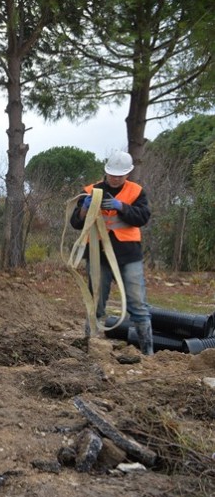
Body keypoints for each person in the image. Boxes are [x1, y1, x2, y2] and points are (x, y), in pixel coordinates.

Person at [70, 150, 154, 355]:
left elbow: (142, 217)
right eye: (112, 174)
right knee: (95, 303)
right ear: (106, 172)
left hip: (128, 255)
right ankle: (90, 348)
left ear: (128, 174)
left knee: (138, 304)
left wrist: (122, 207)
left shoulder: (136, 192)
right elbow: (75, 222)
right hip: (98, 255)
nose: (115, 178)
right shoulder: (91, 190)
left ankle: (147, 352)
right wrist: (84, 209)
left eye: (120, 175)